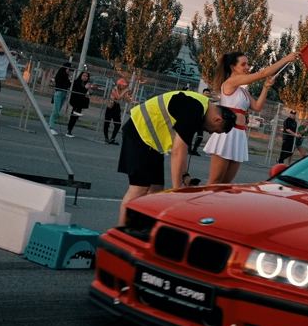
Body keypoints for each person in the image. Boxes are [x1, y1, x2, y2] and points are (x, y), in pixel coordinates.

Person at [117, 90, 236, 225]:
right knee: (139, 189)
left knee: (156, 191)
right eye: (215, 130)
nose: (210, 132)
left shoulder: (200, 107)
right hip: (138, 133)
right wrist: (177, 190)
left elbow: (182, 150)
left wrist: (185, 176)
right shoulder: (194, 109)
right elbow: (177, 152)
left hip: (151, 141)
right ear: (218, 119)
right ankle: (121, 230)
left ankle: (143, 228)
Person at [204, 50, 298, 184]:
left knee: (226, 183)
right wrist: (286, 59)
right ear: (233, 67)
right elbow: (262, 74)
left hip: (239, 134)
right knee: (215, 181)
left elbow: (257, 107)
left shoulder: (243, 91)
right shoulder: (231, 82)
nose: (247, 67)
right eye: (243, 64)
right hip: (226, 133)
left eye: (247, 64)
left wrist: (265, 88)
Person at [104, 78, 131, 144]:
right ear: (119, 84)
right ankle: (106, 138)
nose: (124, 86)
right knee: (107, 123)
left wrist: (128, 97)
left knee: (118, 124)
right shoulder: (114, 89)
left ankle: (112, 138)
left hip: (117, 107)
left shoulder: (123, 91)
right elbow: (118, 97)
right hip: (111, 106)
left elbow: (127, 100)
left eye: (124, 85)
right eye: (123, 85)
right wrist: (125, 92)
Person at [48, 63, 72, 135]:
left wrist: (69, 80)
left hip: (64, 93)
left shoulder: (66, 76)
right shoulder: (61, 74)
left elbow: (68, 85)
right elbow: (61, 84)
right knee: (56, 111)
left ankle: (51, 126)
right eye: (69, 69)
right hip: (59, 93)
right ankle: (50, 127)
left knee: (57, 110)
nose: (69, 71)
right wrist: (68, 81)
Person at [66, 70, 91, 138]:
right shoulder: (77, 82)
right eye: (84, 75)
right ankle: (69, 131)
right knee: (73, 116)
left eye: (86, 76)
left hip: (81, 103)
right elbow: (78, 92)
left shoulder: (86, 83)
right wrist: (85, 88)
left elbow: (88, 93)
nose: (85, 77)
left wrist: (89, 90)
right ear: (81, 75)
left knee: (76, 117)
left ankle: (70, 130)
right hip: (76, 102)